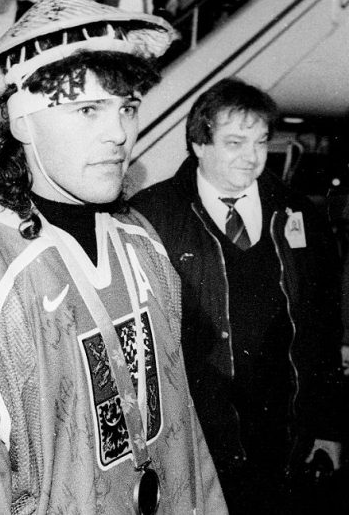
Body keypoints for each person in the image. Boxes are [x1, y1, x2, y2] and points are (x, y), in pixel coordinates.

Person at [0, 0, 225, 513]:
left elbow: (184, 437)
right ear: (23, 122)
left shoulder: (141, 243)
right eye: (88, 109)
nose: (119, 134)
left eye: (126, 108)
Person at [130, 77, 345, 513]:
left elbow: (322, 327)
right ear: (199, 144)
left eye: (261, 142)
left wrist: (329, 426)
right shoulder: (151, 217)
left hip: (285, 441)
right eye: (235, 143)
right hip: (196, 441)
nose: (252, 157)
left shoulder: (297, 213)